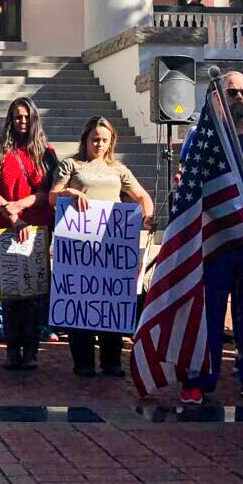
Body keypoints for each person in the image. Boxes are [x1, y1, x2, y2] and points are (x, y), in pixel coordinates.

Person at [176, 71, 243, 406]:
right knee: (208, 312)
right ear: (217, 95)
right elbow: (187, 186)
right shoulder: (202, 140)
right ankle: (198, 379)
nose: (239, 99)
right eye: (232, 92)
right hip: (213, 241)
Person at [48, 117, 155, 378]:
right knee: (81, 301)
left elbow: (141, 195)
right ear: (85, 139)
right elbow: (53, 196)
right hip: (78, 245)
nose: (99, 144)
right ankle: (83, 360)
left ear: (111, 143)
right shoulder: (71, 165)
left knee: (111, 301)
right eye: (95, 139)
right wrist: (70, 194)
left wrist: (148, 215)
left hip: (110, 245)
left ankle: (112, 360)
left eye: (104, 140)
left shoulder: (119, 169)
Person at [0, 97, 55, 370]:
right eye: (16, 117)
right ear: (9, 120)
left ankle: (31, 352)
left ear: (33, 119)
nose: (21, 121)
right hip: (6, 229)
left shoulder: (46, 153)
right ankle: (12, 351)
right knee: (11, 295)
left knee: (34, 296)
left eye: (25, 117)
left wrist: (22, 206)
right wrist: (13, 218)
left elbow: (49, 193)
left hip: (36, 230)